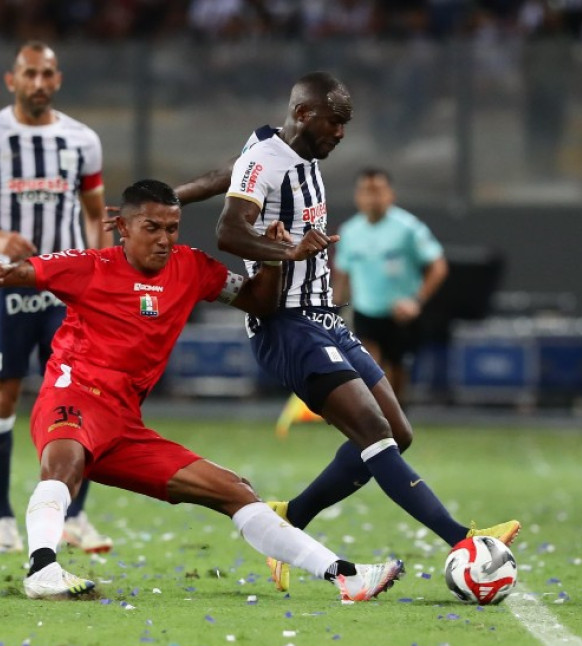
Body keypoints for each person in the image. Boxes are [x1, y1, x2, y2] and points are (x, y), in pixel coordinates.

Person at [0, 179, 404, 602]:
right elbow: (28, 271)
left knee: (235, 490)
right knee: (63, 464)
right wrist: (1, 273)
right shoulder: (91, 265)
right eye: (152, 228)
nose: (164, 239)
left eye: (172, 228)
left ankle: (345, 576)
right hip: (75, 395)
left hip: (124, 427)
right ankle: (42, 568)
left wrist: (273, 258)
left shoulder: (192, 267)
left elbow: (258, 302)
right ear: (123, 228)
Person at [174, 71, 519, 592]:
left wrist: (172, 198)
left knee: (398, 433)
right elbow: (229, 230)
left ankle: (290, 517)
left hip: (324, 318)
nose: (341, 133)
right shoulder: (268, 158)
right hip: (287, 325)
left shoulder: (270, 147)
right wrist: (287, 250)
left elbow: (230, 173)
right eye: (334, 121)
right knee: (375, 434)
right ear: (304, 114)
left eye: (346, 123)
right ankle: (463, 540)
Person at [0, 40, 113, 556]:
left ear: (57, 80)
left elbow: (95, 212)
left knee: (82, 397)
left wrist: (99, 271)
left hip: (65, 291)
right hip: (7, 285)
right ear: (11, 80)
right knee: (2, 396)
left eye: (47, 74)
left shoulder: (82, 140)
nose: (38, 83)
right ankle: (1, 517)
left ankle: (75, 518)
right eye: (29, 74)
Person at [333, 167, 448, 405]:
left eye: (378, 191)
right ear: (357, 196)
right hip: (365, 312)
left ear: (390, 194)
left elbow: (438, 266)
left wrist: (416, 301)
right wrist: (334, 310)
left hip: (399, 315)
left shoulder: (408, 228)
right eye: (366, 191)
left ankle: (396, 416)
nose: (372, 198)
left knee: (396, 376)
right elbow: (343, 274)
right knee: (371, 368)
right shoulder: (349, 232)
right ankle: (376, 419)